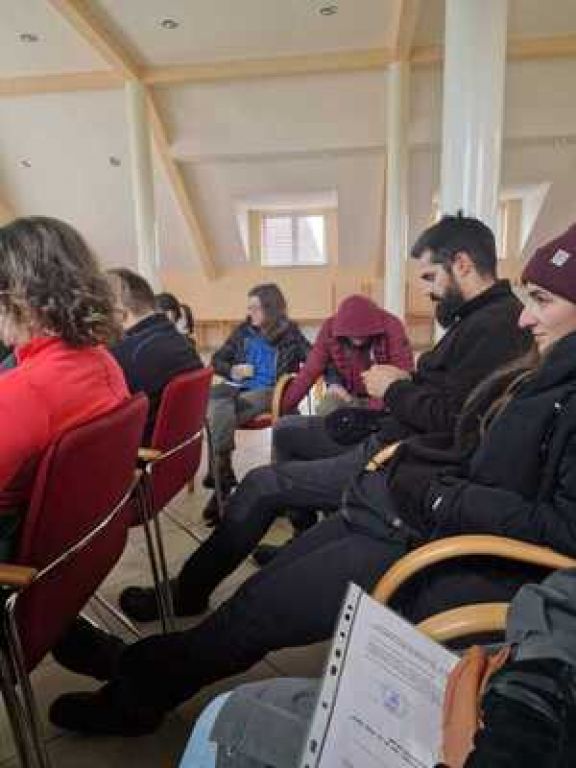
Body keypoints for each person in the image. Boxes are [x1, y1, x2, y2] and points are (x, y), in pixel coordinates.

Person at [48, 221, 576, 736]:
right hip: (398, 502)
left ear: (461, 264)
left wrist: (433, 483)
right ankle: (142, 670)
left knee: (256, 608)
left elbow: (551, 520)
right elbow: (468, 438)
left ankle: (138, 689)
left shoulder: (519, 352)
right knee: (256, 590)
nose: (525, 316)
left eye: (542, 301)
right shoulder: (538, 366)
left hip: (426, 536)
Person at [118, 214, 532, 619]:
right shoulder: (476, 320)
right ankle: (296, 529)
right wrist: (287, 405)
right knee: (288, 431)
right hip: (385, 432)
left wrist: (394, 388)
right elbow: (319, 373)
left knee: (261, 484)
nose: (426, 290)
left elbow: (457, 421)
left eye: (429, 277)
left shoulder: (492, 327)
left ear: (462, 264)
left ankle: (190, 591)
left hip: (394, 455)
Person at [179, 567, 576, 768]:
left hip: (511, 724)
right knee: (252, 700)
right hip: (526, 681)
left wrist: (510, 737)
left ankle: (153, 673)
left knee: (230, 719)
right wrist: (527, 691)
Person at [0, 216, 129, 561]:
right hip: (74, 550)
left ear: (20, 298)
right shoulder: (102, 362)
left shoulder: (25, 392)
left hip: (14, 550)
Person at [201, 283, 310, 522]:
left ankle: (220, 487)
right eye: (249, 308)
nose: (250, 313)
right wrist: (233, 370)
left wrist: (294, 387)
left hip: (272, 393)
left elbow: (313, 361)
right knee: (214, 403)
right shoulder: (243, 332)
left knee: (217, 412)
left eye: (255, 308)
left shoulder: (290, 334)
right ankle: (223, 476)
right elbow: (217, 360)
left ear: (270, 308)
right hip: (239, 391)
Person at [108, 269, 203, 444]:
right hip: (176, 449)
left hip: (140, 451)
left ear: (119, 310)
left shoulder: (128, 354)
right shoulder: (181, 341)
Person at [280, 294, 413, 417]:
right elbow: (309, 372)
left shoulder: (392, 326)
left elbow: (404, 375)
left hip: (385, 397)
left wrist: (372, 408)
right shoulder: (329, 329)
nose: (358, 338)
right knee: (327, 408)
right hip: (346, 395)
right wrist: (281, 409)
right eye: (353, 335)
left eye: (362, 335)